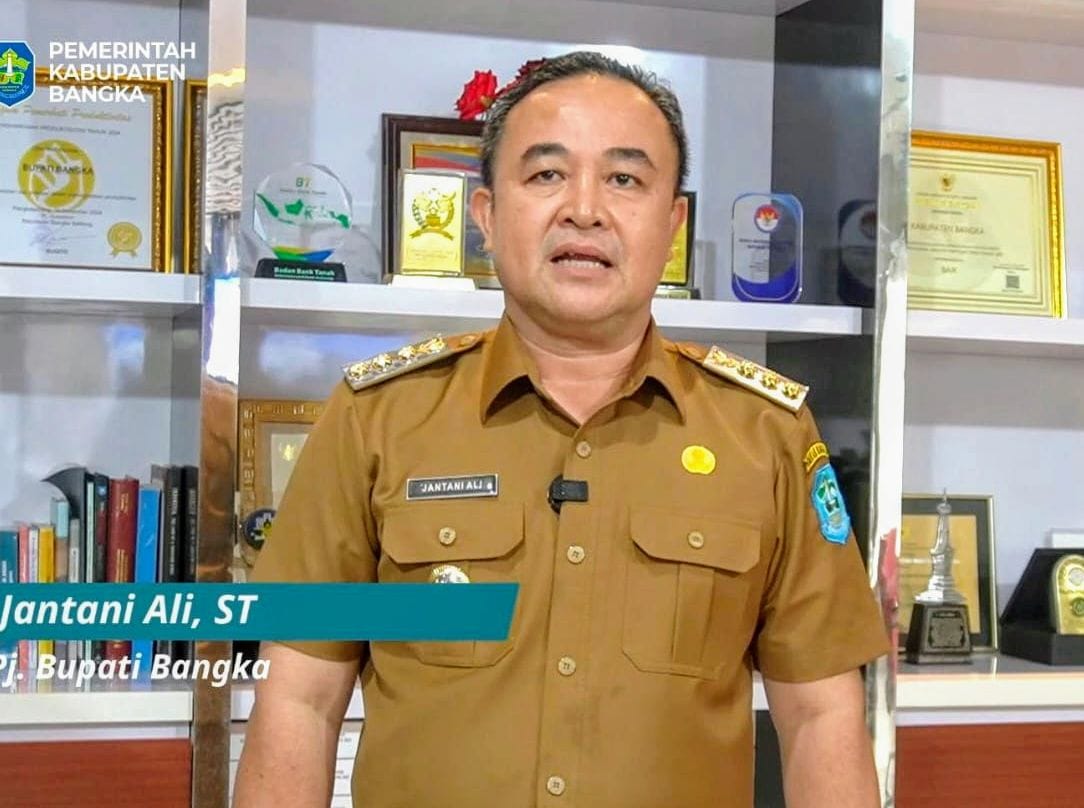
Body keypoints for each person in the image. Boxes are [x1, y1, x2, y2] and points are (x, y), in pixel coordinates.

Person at [234, 50, 890, 808]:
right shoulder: (375, 418)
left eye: (625, 180)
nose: (585, 209)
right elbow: (300, 700)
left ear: (673, 223)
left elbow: (820, 717)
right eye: (547, 174)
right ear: (486, 216)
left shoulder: (767, 433)